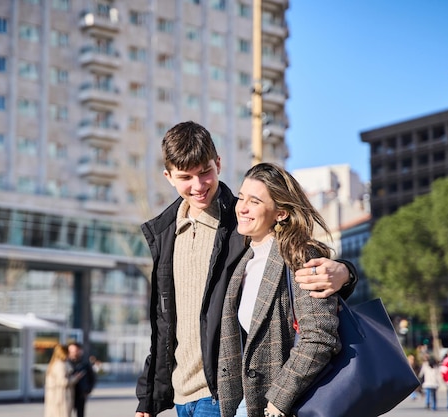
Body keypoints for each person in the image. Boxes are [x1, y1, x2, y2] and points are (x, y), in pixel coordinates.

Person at [135, 121, 358, 417]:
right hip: (181, 395)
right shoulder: (165, 232)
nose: (199, 185)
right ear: (169, 177)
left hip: (223, 395)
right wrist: (149, 397)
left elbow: (300, 257)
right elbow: (165, 323)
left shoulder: (240, 225)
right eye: (186, 177)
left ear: (218, 164)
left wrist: (344, 272)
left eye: (205, 172)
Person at [217, 162, 351, 417]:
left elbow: (319, 336)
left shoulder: (299, 256)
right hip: (245, 402)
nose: (242, 207)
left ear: (280, 213)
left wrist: (279, 399)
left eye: (255, 202)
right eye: (242, 197)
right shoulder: (245, 259)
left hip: (281, 405)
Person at [44, 344, 84, 417]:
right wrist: (76, 378)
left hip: (55, 397)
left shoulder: (54, 364)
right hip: (61, 398)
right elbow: (63, 382)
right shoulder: (60, 365)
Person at [68, 342, 96, 417]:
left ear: (80, 351)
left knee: (80, 414)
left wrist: (88, 390)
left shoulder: (85, 363)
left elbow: (92, 377)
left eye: (75, 351)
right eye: (71, 351)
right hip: (68, 393)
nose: (73, 353)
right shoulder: (66, 363)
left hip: (81, 393)